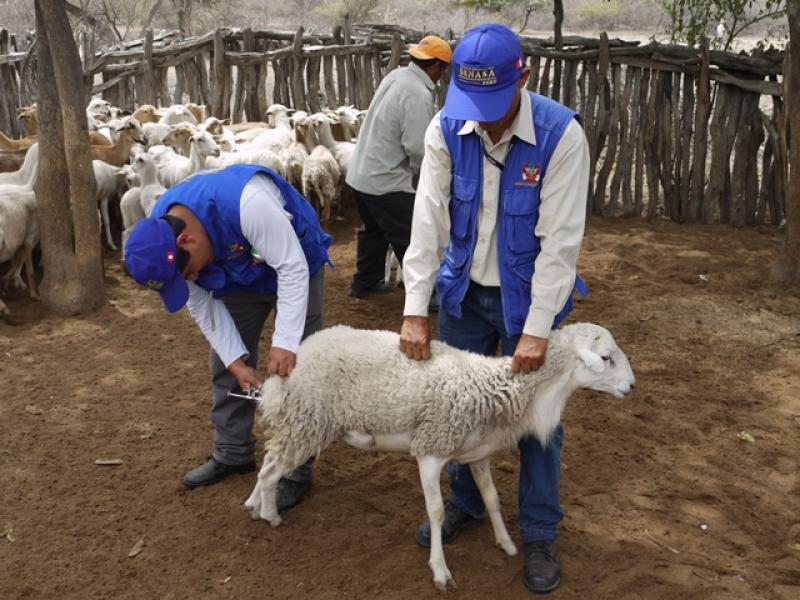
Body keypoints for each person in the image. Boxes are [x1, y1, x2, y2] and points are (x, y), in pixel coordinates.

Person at [398, 24, 590, 594]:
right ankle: (467, 503)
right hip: (463, 294)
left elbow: (560, 243)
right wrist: (415, 307)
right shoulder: (448, 125)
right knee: (455, 405)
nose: (479, 118)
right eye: (469, 103)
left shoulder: (561, 135)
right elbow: (428, 219)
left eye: (491, 104)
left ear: (523, 79)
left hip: (530, 298)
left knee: (536, 421)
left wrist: (535, 330)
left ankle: (538, 530)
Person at [124, 163, 331, 512]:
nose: (190, 278)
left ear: (186, 240)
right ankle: (233, 452)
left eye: (188, 272)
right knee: (225, 363)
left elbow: (291, 268)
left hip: (295, 262)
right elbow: (204, 307)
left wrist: (284, 343)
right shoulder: (164, 238)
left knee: (299, 368)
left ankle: (296, 467)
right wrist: (236, 361)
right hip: (239, 270)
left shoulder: (249, 204)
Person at [346, 35, 452, 299]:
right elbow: (417, 146)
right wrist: (429, 177)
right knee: (413, 236)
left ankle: (365, 283)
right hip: (385, 180)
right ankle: (426, 295)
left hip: (361, 173)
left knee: (374, 231)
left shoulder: (396, 76)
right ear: (437, 66)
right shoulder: (417, 93)